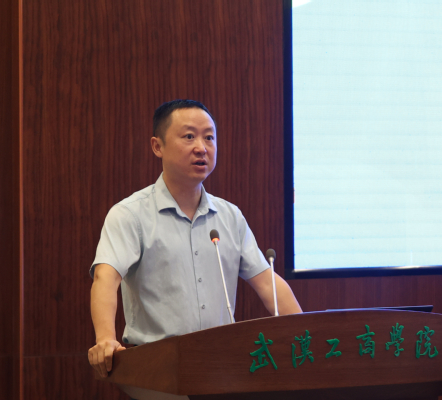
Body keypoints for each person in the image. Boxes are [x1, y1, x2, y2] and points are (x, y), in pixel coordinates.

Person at [88, 100, 302, 378]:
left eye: (209, 138)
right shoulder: (130, 214)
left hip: (222, 365)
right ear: (157, 146)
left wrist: (305, 334)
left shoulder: (230, 216)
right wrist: (105, 339)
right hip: (157, 366)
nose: (201, 147)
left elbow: (267, 283)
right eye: (189, 136)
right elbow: (105, 277)